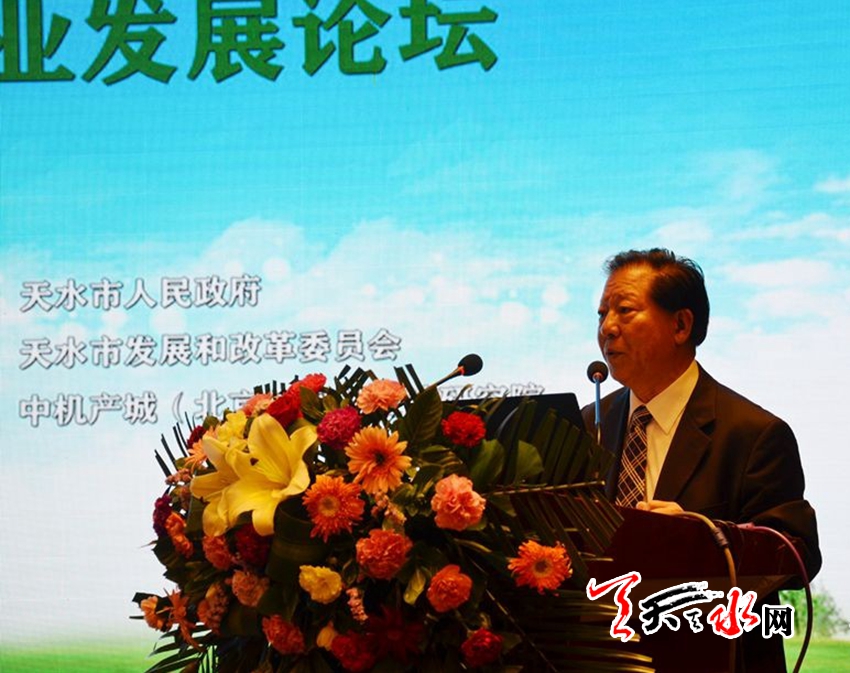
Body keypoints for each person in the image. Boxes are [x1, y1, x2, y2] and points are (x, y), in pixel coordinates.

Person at [582, 248, 820, 673]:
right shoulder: (588, 424)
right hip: (597, 655)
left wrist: (701, 538)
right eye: (602, 314)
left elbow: (796, 555)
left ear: (681, 325)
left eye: (625, 310)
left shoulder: (753, 433)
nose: (607, 328)